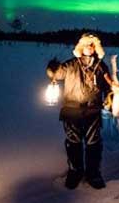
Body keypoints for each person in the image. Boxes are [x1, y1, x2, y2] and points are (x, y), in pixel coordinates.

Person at [46, 33, 111, 189]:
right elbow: (56, 74)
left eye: (92, 45)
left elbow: (109, 86)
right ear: (80, 47)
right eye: (87, 44)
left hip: (93, 111)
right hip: (71, 111)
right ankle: (75, 172)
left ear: (96, 48)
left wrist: (111, 98)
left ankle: (93, 174)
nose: (89, 47)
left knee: (93, 143)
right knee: (73, 142)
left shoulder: (101, 67)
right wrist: (52, 68)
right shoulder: (70, 65)